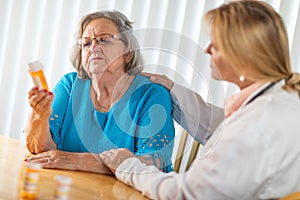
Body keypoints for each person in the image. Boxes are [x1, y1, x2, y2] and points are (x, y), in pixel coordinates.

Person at [99, 1, 300, 199]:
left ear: (243, 52)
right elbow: (219, 127)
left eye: (217, 44)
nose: (207, 50)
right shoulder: (281, 101)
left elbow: (185, 194)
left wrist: (127, 166)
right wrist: (174, 90)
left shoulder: (256, 124)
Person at [24, 10, 175, 174]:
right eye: (86, 43)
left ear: (128, 53)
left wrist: (77, 160)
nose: (93, 47)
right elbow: (43, 151)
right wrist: (39, 117)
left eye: (104, 40)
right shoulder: (69, 85)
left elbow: (154, 163)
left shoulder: (151, 95)